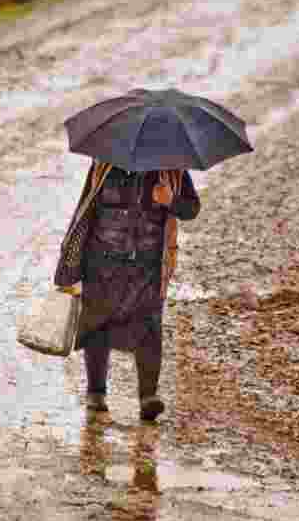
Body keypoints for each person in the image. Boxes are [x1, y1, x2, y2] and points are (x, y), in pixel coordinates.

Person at [56, 161, 200, 421]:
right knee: (97, 326)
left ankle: (148, 397)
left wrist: (171, 200)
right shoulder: (104, 164)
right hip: (102, 262)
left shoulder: (173, 168)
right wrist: (70, 264)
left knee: (149, 327)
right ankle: (96, 393)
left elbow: (192, 208)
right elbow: (85, 208)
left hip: (148, 266)